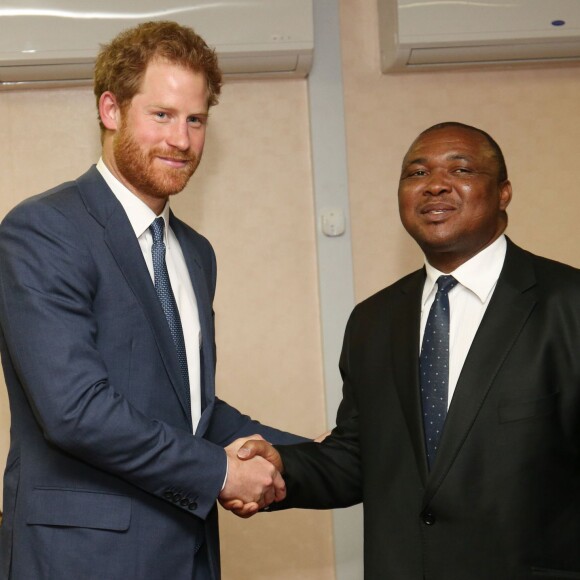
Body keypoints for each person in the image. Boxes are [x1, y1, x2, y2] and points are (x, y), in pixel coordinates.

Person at [0, 21, 306, 580]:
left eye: (195, 119)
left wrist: (312, 457)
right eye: (161, 115)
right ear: (111, 110)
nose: (182, 140)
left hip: (187, 554)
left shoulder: (195, 252)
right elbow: (75, 412)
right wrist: (219, 472)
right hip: (81, 560)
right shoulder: (43, 229)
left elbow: (191, 410)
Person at [233, 122, 580, 579]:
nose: (434, 185)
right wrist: (284, 467)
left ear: (504, 193)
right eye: (416, 173)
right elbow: (360, 456)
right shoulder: (372, 321)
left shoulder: (567, 303)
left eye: (461, 169)